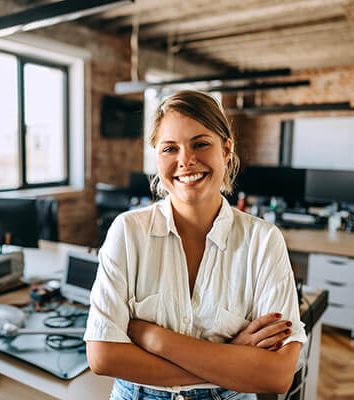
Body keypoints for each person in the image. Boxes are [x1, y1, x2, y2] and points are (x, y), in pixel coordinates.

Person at [84, 90, 306, 400]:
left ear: (226, 150)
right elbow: (103, 357)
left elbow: (277, 374)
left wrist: (153, 337)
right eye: (170, 148)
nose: (185, 160)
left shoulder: (263, 241)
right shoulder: (127, 231)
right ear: (156, 157)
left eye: (200, 143)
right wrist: (229, 358)